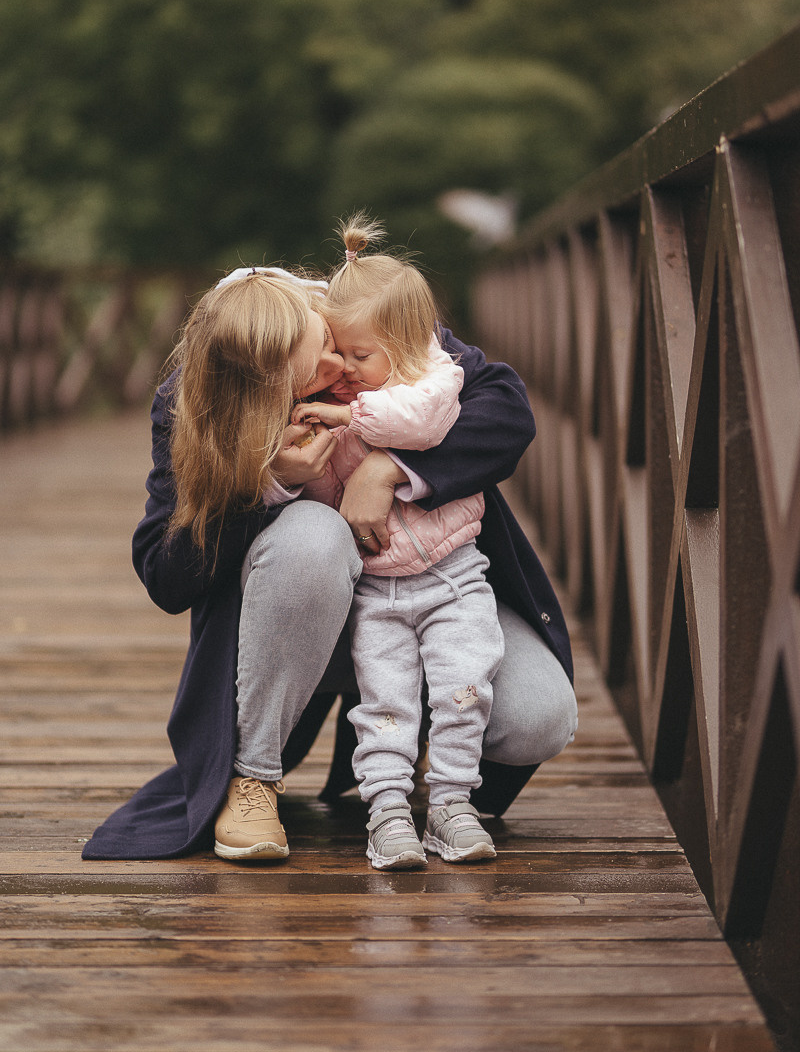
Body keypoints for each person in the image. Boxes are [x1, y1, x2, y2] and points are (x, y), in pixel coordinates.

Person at [81, 242, 577, 864]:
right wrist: (265, 485)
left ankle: (419, 738)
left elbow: (504, 406)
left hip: (435, 585)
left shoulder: (363, 316)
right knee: (313, 533)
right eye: (314, 373)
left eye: (330, 342)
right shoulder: (194, 402)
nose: (339, 364)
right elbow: (166, 573)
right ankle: (253, 778)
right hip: (304, 623)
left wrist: (389, 468)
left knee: (539, 717)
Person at [291, 217, 503, 868]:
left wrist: (347, 419)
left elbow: (419, 423)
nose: (346, 369)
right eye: (339, 352)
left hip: (453, 577)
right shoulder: (340, 392)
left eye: (362, 356)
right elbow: (324, 498)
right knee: (384, 704)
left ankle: (452, 805)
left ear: (408, 342)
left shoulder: (432, 381)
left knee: (465, 690)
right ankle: (386, 810)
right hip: (378, 590)